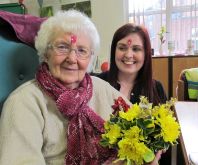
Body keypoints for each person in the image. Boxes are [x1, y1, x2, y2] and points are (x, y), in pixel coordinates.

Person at [0, 10, 161, 165]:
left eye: (81, 50)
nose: (72, 58)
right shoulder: (23, 103)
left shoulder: (100, 87)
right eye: (62, 47)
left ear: (90, 57)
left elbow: (143, 129)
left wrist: (148, 154)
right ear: (45, 52)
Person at [96, 23, 169, 164]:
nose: (128, 55)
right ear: (114, 50)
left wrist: (158, 154)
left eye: (136, 49)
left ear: (146, 54)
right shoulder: (98, 83)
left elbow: (164, 140)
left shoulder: (156, 89)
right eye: (122, 48)